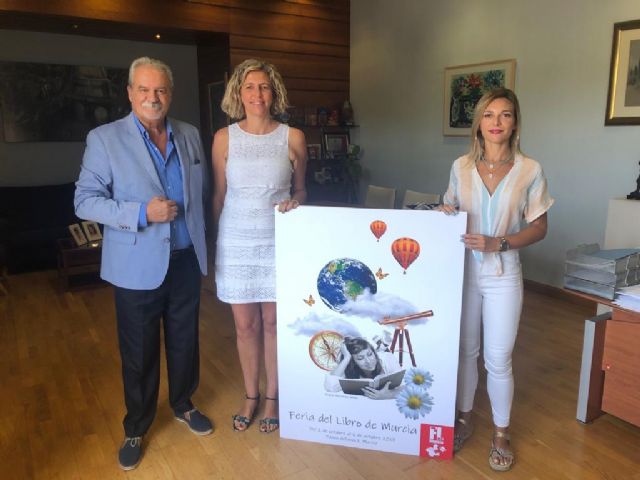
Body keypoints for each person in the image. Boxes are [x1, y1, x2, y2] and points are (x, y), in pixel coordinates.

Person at [74, 56, 212, 471]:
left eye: (161, 90)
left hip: (185, 260)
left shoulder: (189, 134)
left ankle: (183, 403)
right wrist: (140, 213)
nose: (154, 97)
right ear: (130, 93)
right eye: (145, 90)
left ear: (170, 94)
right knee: (139, 351)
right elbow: (84, 201)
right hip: (135, 266)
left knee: (185, 341)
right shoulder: (104, 138)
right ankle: (136, 426)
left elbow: (201, 193)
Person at [439, 88, 553, 472]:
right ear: (479, 123)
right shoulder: (460, 167)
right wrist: (444, 212)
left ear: (515, 123)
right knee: (465, 350)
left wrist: (498, 242)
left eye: (505, 115)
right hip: (464, 272)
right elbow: (450, 209)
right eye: (488, 115)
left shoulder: (530, 170)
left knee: (499, 358)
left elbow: (539, 227)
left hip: (504, 274)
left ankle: (501, 432)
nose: (496, 122)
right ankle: (464, 418)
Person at [212, 59, 307, 433]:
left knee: (273, 323)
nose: (257, 94)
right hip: (235, 242)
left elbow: (301, 190)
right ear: (239, 93)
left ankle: (273, 399)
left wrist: (296, 202)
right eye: (250, 87)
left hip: (278, 243)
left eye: (264, 86)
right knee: (245, 326)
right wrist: (215, 243)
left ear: (274, 92)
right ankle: (250, 395)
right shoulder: (224, 138)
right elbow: (219, 196)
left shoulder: (292, 137)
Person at [324, 337, 402, 399]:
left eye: (370, 354)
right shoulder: (349, 369)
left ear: (374, 352)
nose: (368, 361)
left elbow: (407, 387)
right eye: (360, 358)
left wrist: (388, 395)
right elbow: (330, 387)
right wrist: (346, 358)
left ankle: (382, 344)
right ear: (353, 362)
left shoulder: (387, 358)